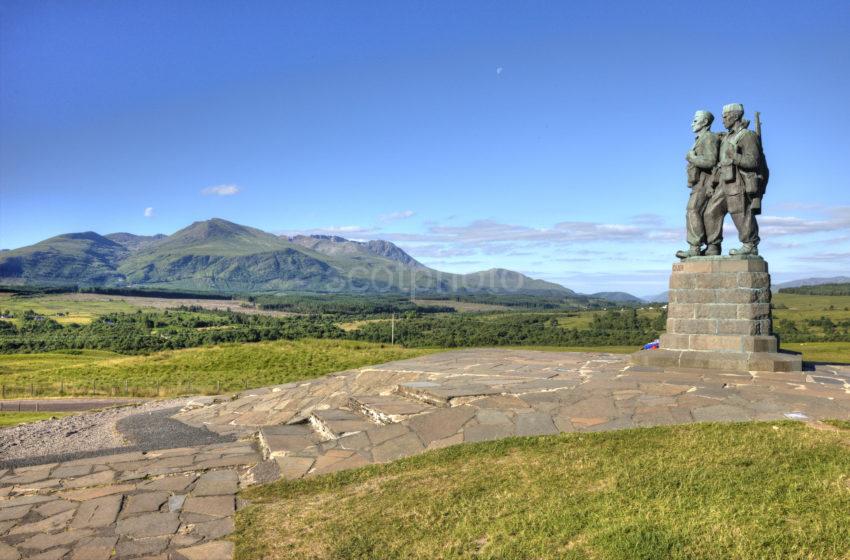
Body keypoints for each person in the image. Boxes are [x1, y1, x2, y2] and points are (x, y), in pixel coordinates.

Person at [703, 103, 765, 256]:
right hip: (723, 182)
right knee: (710, 213)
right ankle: (713, 247)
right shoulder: (726, 138)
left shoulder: (747, 135)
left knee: (740, 213)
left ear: (735, 116)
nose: (722, 120)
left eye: (725, 116)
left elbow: (753, 162)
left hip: (738, 182)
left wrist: (735, 156)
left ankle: (750, 244)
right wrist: (712, 182)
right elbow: (720, 164)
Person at [676, 110, 720, 259]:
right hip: (699, 182)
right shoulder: (700, 139)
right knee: (699, 212)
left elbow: (710, 161)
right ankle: (709, 246)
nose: (692, 123)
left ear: (705, 122)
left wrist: (692, 158)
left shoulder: (708, 137)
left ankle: (694, 247)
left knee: (692, 209)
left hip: (705, 182)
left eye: (696, 120)